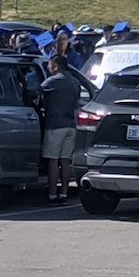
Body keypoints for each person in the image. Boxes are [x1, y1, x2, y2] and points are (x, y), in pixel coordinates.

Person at [38, 57, 84, 203]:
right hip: (71, 124)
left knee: (53, 160)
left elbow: (35, 92)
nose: (49, 68)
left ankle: (52, 193)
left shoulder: (53, 80)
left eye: (50, 66)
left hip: (55, 124)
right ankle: (64, 193)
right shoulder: (75, 82)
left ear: (56, 66)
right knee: (65, 161)